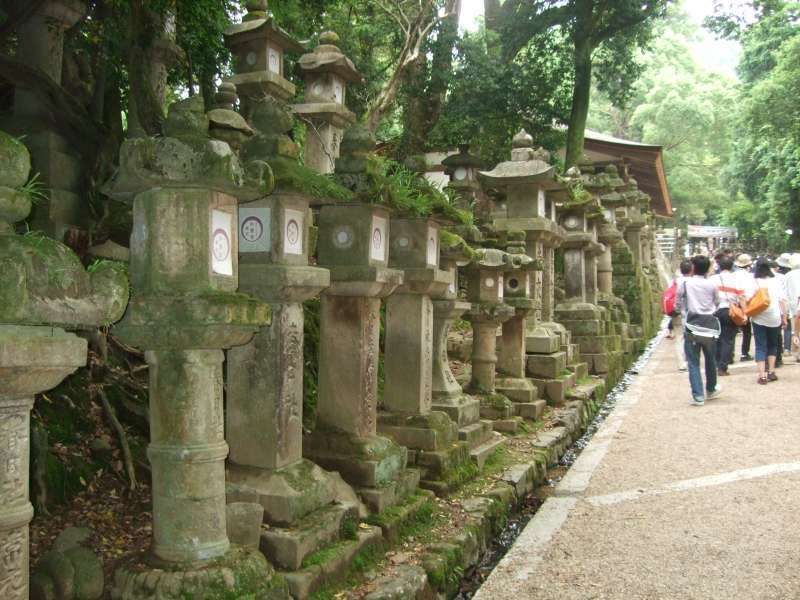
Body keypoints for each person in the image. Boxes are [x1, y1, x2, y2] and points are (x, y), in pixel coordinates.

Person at [677, 255, 721, 406]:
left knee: (693, 361)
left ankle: (698, 396)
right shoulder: (711, 285)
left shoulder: (686, 284)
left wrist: (682, 311)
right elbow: (717, 302)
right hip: (709, 323)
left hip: (692, 324)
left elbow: (678, 301)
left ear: (693, 268)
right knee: (710, 358)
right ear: (707, 268)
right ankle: (711, 388)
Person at [748, 258, 788, 385]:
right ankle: (771, 371)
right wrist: (785, 317)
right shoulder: (776, 280)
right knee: (773, 344)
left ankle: (762, 375)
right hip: (775, 316)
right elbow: (782, 300)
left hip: (759, 317)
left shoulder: (754, 281)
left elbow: (748, 298)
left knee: (760, 346)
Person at [711, 255, 744, 376]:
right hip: (730, 310)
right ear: (732, 266)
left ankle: (715, 362)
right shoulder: (736, 279)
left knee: (716, 338)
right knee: (728, 339)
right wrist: (744, 313)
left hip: (715, 310)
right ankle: (723, 366)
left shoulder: (713, 279)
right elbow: (741, 297)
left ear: (719, 266)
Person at [734, 253, 755, 361]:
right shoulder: (750, 276)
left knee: (732, 331)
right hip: (746, 304)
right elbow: (752, 292)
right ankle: (744, 353)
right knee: (747, 331)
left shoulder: (733, 275)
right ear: (749, 265)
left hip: (734, 305)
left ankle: (729, 355)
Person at [783, 253, 800, 361]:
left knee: (796, 330)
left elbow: (785, 293)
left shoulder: (787, 275)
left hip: (793, 306)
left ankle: (797, 352)